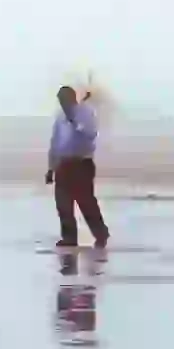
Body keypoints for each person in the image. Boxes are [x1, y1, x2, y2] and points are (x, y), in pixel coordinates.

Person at [46, 86, 109, 247]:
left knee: (85, 201)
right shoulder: (60, 117)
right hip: (63, 164)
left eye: (64, 100)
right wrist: (51, 168)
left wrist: (75, 121)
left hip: (82, 163)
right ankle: (69, 238)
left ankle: (101, 233)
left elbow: (90, 133)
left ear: (72, 99)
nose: (62, 104)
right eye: (60, 101)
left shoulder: (85, 112)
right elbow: (55, 143)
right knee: (63, 203)